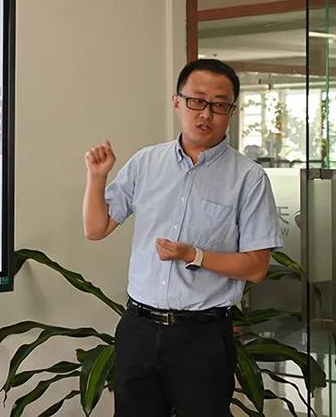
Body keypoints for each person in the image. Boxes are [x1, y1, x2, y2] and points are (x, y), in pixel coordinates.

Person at [82, 59, 282, 417]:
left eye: (219, 105)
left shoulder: (248, 178)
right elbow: (96, 229)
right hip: (139, 329)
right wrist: (97, 178)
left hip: (201, 336)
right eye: (197, 101)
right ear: (177, 102)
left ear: (232, 111)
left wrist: (195, 256)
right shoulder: (145, 163)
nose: (206, 113)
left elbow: (256, 267)